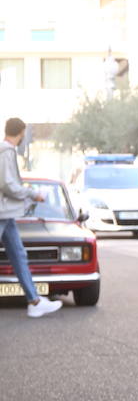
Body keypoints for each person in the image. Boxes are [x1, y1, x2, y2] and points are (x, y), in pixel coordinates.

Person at [1, 118, 62, 318]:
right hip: (2, 212)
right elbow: (8, 185)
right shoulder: (6, 151)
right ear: (21, 132)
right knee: (19, 255)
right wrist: (31, 194)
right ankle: (34, 301)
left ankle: (34, 301)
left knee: (19, 255)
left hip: (6, 213)